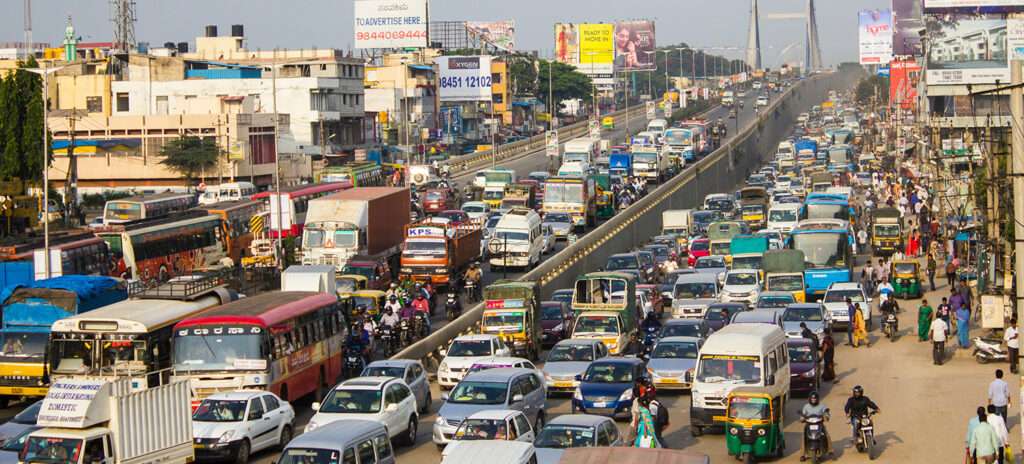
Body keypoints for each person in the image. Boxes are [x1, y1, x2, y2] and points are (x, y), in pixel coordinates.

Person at [800, 391, 832, 459]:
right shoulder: (806, 406)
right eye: (812, 399)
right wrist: (802, 418)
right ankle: (803, 454)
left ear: (817, 399)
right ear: (809, 399)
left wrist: (826, 416)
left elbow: (826, 412)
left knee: (827, 435)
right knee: (803, 436)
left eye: (815, 399)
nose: (813, 400)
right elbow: (803, 415)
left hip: (819, 424)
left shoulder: (822, 406)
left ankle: (830, 450)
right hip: (809, 424)